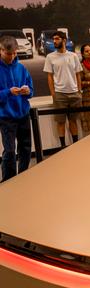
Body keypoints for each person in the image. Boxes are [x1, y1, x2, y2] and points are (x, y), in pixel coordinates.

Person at [0, 36, 33, 182]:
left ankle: (24, 177)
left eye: (14, 53)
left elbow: (31, 90)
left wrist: (28, 91)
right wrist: (8, 92)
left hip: (23, 114)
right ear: (0, 50)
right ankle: (9, 181)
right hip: (6, 117)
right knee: (9, 151)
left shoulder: (22, 67)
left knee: (26, 148)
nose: (12, 56)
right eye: (8, 53)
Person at [43, 31, 82, 148]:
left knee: (73, 121)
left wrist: (79, 91)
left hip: (74, 93)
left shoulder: (73, 56)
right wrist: (53, 94)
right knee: (60, 121)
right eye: (53, 39)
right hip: (60, 94)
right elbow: (49, 76)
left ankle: (75, 145)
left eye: (57, 39)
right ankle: (62, 146)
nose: (54, 41)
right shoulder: (50, 57)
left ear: (64, 40)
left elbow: (78, 74)